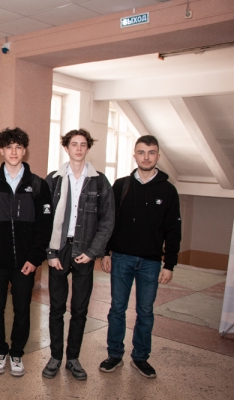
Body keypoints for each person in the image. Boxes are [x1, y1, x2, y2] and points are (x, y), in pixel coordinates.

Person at [99, 135, 181, 378]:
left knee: (145, 311)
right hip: (121, 258)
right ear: (134, 155)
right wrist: (105, 252)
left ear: (158, 156)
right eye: (142, 152)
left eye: (151, 152)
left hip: (151, 262)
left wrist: (169, 264)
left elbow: (173, 230)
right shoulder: (121, 185)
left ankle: (140, 357)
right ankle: (114, 354)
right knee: (117, 308)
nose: (146, 157)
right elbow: (109, 221)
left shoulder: (168, 190)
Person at [0, 127, 53, 377]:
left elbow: (44, 227)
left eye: (18, 147)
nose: (14, 152)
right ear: (1, 150)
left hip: (25, 264)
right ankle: (0, 350)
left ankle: (17, 353)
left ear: (24, 150)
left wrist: (35, 258)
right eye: (9, 147)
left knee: (22, 309)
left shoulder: (38, 185)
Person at [42, 128, 115, 381]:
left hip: (85, 250)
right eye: (74, 144)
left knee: (80, 310)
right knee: (56, 308)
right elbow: (44, 220)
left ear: (88, 148)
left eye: (83, 144)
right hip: (59, 250)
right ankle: (55, 357)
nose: (79, 148)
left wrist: (93, 252)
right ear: (66, 148)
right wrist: (50, 252)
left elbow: (108, 221)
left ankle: (73, 358)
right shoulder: (53, 180)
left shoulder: (99, 181)